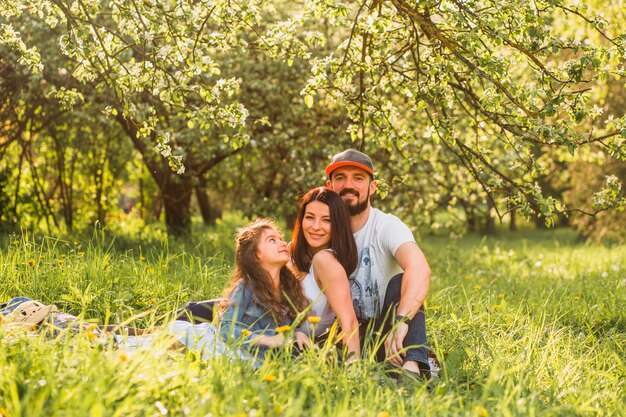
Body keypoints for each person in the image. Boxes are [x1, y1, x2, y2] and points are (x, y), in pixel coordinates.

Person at [325, 149, 432, 378]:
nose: (348, 184)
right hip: (341, 335)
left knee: (401, 281)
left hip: (386, 334)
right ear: (330, 186)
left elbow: (420, 269)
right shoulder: (321, 228)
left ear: (372, 187)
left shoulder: (386, 226)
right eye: (340, 177)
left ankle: (411, 372)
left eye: (358, 178)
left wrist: (402, 321)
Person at [290, 187, 360, 361]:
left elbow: (348, 321)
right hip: (261, 331)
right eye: (310, 217)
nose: (315, 227)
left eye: (326, 220)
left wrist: (354, 370)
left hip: (290, 349)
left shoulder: (325, 261)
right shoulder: (290, 251)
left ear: (338, 225)